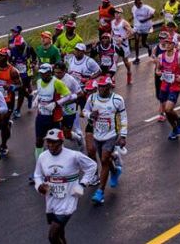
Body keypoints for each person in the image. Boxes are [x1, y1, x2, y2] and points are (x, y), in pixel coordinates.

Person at [33, 129, 99, 244]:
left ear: (61, 142)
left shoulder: (73, 156)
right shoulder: (43, 156)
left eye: (54, 142)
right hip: (51, 200)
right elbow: (37, 175)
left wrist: (82, 184)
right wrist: (39, 186)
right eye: (48, 141)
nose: (50, 145)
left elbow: (92, 166)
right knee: (60, 233)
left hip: (68, 200)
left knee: (52, 236)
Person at [82, 75, 127, 205]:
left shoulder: (117, 100)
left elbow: (123, 118)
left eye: (103, 87)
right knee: (105, 159)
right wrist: (90, 114)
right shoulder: (92, 98)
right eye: (99, 86)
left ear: (109, 87)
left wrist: (123, 135)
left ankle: (100, 192)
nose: (101, 89)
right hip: (97, 134)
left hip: (111, 135)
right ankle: (115, 171)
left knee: (104, 160)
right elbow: (84, 111)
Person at [32, 64, 76, 159]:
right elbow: (40, 93)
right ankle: (39, 165)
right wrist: (36, 99)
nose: (44, 76)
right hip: (41, 116)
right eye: (42, 74)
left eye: (46, 74)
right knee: (39, 141)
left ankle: (60, 161)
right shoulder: (39, 81)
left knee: (56, 141)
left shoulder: (57, 83)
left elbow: (69, 95)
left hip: (54, 117)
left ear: (50, 73)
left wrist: (56, 104)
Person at [153, 37, 180, 141]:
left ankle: (178, 120)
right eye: (166, 43)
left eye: (169, 43)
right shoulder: (161, 56)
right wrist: (158, 72)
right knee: (167, 112)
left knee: (168, 109)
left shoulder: (179, 57)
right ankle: (174, 129)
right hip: (164, 86)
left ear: (174, 45)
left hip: (175, 86)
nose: (167, 45)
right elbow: (157, 68)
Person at [107, 9, 134, 83]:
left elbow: (131, 32)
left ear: (121, 14)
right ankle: (112, 78)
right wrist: (110, 38)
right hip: (115, 44)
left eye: (118, 13)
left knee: (125, 61)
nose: (116, 14)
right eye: (115, 13)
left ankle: (129, 72)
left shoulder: (124, 23)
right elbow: (112, 30)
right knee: (113, 61)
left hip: (123, 45)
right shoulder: (112, 22)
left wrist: (123, 38)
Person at [130, 0, 155, 64]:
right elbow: (133, 14)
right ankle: (137, 58)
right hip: (137, 27)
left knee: (143, 43)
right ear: (135, 4)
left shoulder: (146, 8)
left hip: (145, 27)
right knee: (136, 41)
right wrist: (131, 18)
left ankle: (149, 47)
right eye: (138, 4)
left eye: (140, 3)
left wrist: (145, 20)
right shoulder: (134, 8)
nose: (139, 5)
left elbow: (153, 15)